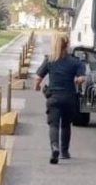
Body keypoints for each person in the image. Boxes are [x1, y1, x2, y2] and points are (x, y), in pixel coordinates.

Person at [34, 34, 86, 164]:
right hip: (69, 98)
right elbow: (82, 78)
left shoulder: (49, 60)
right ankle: (64, 152)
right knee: (66, 125)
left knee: (54, 125)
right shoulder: (75, 62)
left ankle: (54, 147)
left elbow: (38, 77)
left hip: (53, 98)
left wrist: (37, 86)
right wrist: (78, 81)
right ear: (67, 45)